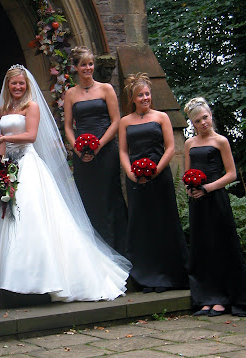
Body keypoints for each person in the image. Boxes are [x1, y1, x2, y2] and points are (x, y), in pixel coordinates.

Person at [0, 65, 131, 302]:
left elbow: (30, 136)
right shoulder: (5, 108)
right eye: (14, 83)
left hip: (28, 163)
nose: (18, 87)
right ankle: (9, 275)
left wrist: (4, 138)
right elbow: (1, 144)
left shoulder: (32, 106)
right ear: (8, 86)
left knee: (32, 216)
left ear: (26, 85)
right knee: (7, 217)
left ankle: (46, 278)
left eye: (21, 83)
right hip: (10, 167)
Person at [119, 72, 189, 293]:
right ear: (133, 98)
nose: (145, 98)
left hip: (160, 178)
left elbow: (170, 147)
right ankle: (147, 278)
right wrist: (131, 173)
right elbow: (123, 150)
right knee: (142, 226)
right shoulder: (125, 122)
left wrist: (156, 170)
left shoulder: (162, 117)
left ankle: (169, 275)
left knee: (163, 222)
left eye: (147, 94)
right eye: (140, 95)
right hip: (136, 180)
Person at [183, 97, 246, 317]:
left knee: (221, 246)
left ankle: (223, 299)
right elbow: (186, 173)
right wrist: (191, 189)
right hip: (197, 202)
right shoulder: (189, 143)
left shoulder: (221, 141)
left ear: (210, 115)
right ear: (192, 124)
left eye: (205, 117)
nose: (203, 123)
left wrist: (208, 188)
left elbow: (231, 174)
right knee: (202, 248)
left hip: (216, 199)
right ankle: (206, 298)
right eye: (197, 120)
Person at [64, 46, 128, 254]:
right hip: (82, 155)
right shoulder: (70, 94)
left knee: (110, 195)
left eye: (90, 64)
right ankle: (94, 251)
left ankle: (119, 248)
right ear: (75, 67)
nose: (88, 68)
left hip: (106, 149)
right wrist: (78, 148)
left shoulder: (106, 89)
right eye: (83, 64)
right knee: (88, 198)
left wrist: (98, 145)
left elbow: (116, 120)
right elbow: (68, 126)